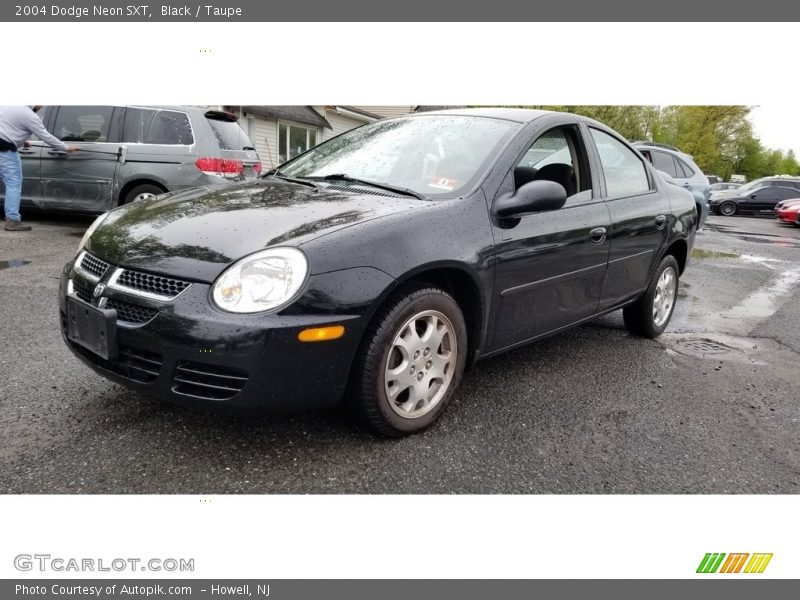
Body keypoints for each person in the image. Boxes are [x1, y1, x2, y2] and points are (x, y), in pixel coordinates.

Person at [0, 106, 79, 231]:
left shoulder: (8, 105)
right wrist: (66, 147)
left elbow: (6, 127)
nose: (42, 106)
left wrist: (21, 140)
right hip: (5, 151)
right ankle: (12, 220)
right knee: (13, 184)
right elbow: (45, 136)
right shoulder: (30, 116)